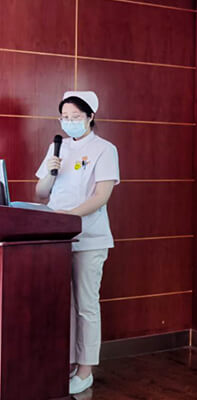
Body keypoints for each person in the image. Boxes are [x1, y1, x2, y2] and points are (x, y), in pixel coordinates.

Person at [35, 91, 120, 395]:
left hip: (89, 238)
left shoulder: (104, 149)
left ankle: (85, 370)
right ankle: (67, 362)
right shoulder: (56, 147)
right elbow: (40, 194)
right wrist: (50, 171)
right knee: (63, 305)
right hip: (57, 239)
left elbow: (101, 196)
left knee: (85, 305)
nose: (69, 122)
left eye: (75, 117)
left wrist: (68, 218)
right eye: (65, 117)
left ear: (90, 117)